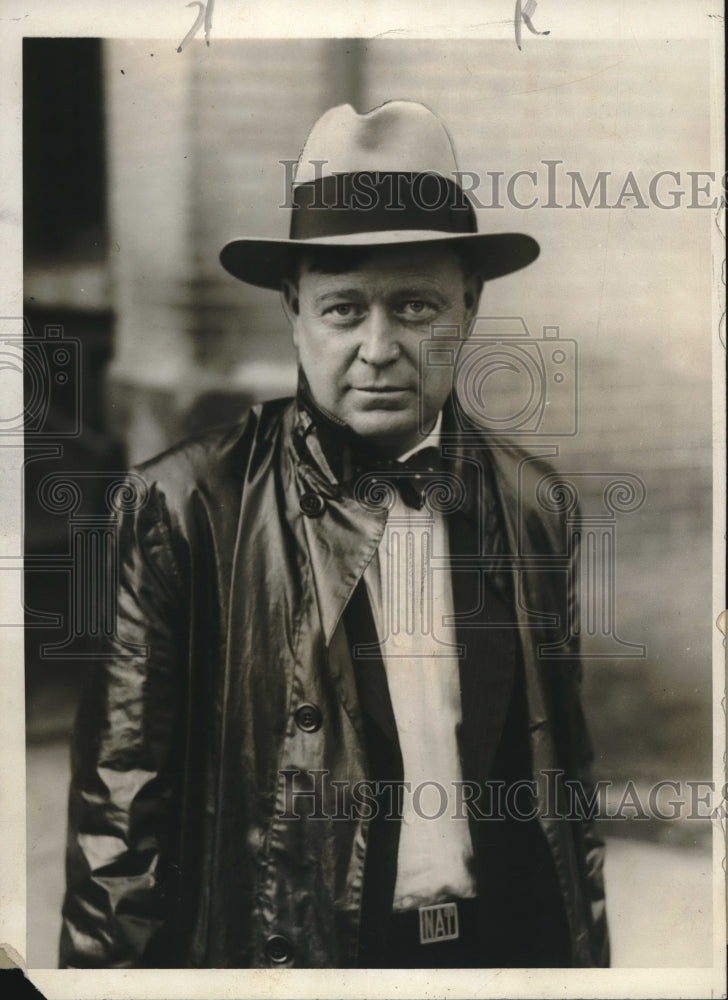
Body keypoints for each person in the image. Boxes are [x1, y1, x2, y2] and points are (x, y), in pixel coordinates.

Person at [59, 100, 609, 969]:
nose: (379, 347)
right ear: (293, 310)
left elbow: (566, 799)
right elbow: (119, 826)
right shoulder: (183, 506)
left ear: (469, 304)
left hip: (497, 954)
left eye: (416, 307)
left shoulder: (537, 504)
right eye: (344, 310)